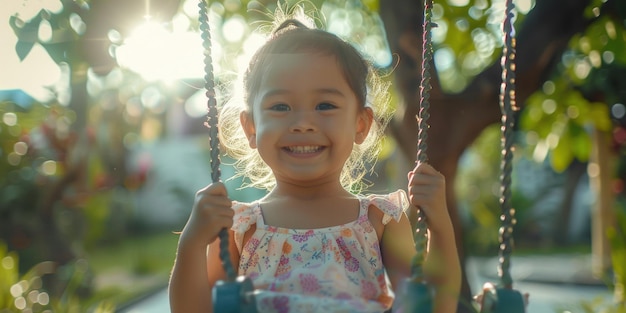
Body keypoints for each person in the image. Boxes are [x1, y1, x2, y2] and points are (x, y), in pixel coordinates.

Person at [169, 16, 461, 313]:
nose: (304, 124)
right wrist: (191, 243)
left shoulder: (379, 220)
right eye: (280, 106)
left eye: (325, 105)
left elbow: (430, 308)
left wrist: (440, 226)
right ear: (251, 127)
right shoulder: (240, 227)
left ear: (360, 124)